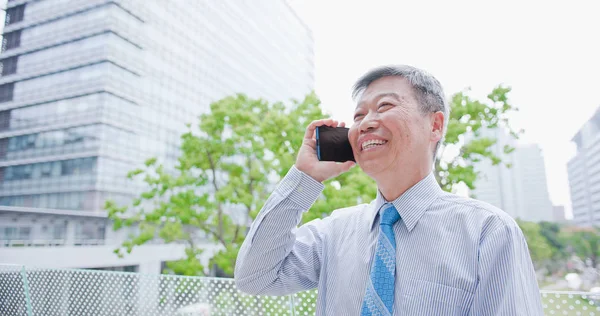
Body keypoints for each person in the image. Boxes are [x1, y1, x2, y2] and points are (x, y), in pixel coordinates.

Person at [234, 65, 544, 315]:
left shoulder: (487, 232)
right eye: (358, 116)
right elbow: (255, 277)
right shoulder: (335, 232)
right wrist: (305, 178)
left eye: (385, 106)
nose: (366, 123)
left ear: (435, 126)